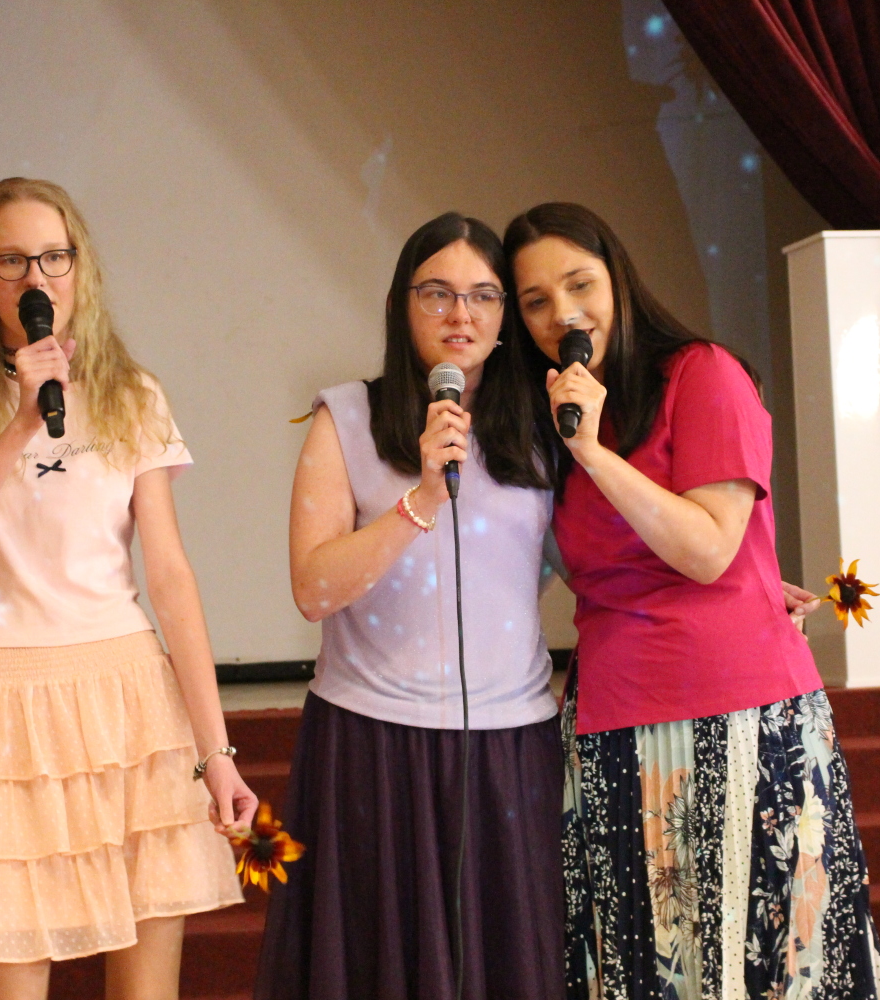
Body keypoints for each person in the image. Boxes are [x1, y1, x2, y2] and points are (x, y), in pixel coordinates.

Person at [505, 203, 880, 1000]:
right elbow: (578, 565)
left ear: (618, 279)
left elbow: (710, 550)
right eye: (536, 301)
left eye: (580, 285)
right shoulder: (553, 414)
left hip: (740, 714)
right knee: (643, 969)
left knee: (771, 962)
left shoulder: (701, 373)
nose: (562, 315)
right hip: (613, 722)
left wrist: (593, 453)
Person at [0, 177, 255, 1000]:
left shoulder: (133, 394)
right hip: (12, 703)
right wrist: (20, 422)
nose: (36, 278)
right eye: (13, 260)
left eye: (53, 257)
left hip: (132, 696)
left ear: (79, 268)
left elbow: (170, 578)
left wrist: (217, 755)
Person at [255, 212, 565, 1000]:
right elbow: (312, 589)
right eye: (438, 293)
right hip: (372, 744)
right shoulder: (347, 419)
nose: (461, 315)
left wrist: (736, 588)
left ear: (505, 316)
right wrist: (421, 500)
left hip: (508, 747)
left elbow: (588, 558)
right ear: (401, 305)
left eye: (483, 296)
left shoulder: (541, 427)